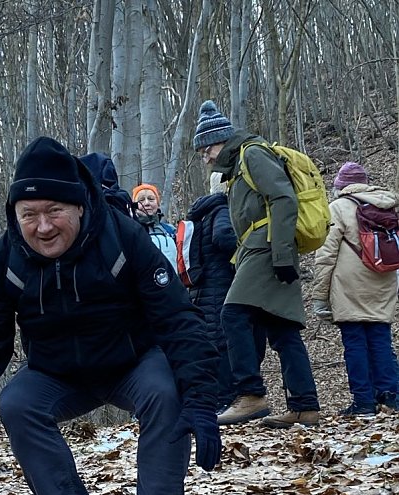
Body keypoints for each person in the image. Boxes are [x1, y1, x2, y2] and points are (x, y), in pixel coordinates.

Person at [0, 136, 222, 495]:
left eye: (54, 211)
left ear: (78, 206)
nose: (43, 227)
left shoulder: (122, 236)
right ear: (14, 216)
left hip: (132, 362)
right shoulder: (7, 258)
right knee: (17, 404)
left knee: (166, 394)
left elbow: (178, 320)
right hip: (58, 373)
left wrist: (203, 403)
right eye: (29, 216)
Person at [192, 100, 321, 429]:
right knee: (282, 329)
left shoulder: (252, 154)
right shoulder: (237, 169)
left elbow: (283, 198)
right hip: (259, 247)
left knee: (232, 314)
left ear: (221, 140)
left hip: (266, 247)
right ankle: (305, 405)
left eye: (206, 148)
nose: (205, 157)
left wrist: (279, 253)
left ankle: (251, 395)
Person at [313, 161, 399, 414]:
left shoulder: (338, 208)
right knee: (380, 339)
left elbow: (326, 255)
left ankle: (363, 401)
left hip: (350, 284)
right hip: (384, 279)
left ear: (341, 185)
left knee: (354, 342)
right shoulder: (388, 204)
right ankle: (391, 395)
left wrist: (320, 296)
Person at [185, 172, 240, 411]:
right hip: (220, 285)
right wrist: (245, 251)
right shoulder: (222, 209)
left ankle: (216, 397)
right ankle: (226, 398)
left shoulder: (202, 212)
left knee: (211, 341)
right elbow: (224, 236)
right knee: (223, 342)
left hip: (202, 287)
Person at [132, 183, 178, 274]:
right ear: (134, 206)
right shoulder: (131, 232)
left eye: (151, 199)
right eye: (141, 200)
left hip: (173, 285)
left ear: (158, 203)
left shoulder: (171, 230)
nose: (147, 203)